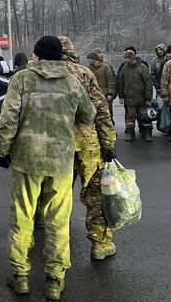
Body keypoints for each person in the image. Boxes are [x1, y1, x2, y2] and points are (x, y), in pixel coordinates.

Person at [0, 36, 96, 301]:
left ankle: (20, 276)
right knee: (58, 221)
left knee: (22, 217)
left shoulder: (22, 79)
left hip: (27, 160)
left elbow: (8, 119)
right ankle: (54, 280)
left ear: (37, 55)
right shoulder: (73, 82)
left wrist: (2, 150)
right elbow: (88, 115)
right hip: (61, 162)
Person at [59, 37, 117, 260]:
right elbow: (101, 109)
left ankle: (57, 245)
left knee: (56, 193)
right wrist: (108, 142)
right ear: (72, 51)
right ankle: (100, 243)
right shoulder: (84, 73)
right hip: (86, 143)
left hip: (55, 145)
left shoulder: (37, 74)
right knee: (94, 194)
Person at [118, 50, 153, 141]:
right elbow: (120, 82)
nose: (125, 60)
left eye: (127, 58)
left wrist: (148, 98)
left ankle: (147, 133)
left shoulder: (142, 68)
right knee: (130, 117)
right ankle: (130, 133)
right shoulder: (124, 68)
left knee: (145, 117)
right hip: (129, 98)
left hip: (142, 98)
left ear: (132, 58)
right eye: (125, 58)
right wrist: (121, 96)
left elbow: (148, 83)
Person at [87, 51, 116, 120]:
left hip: (105, 93)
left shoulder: (105, 67)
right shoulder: (88, 68)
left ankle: (110, 124)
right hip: (94, 94)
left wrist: (110, 93)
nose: (87, 60)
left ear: (93, 59)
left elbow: (110, 80)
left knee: (107, 111)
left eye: (89, 59)